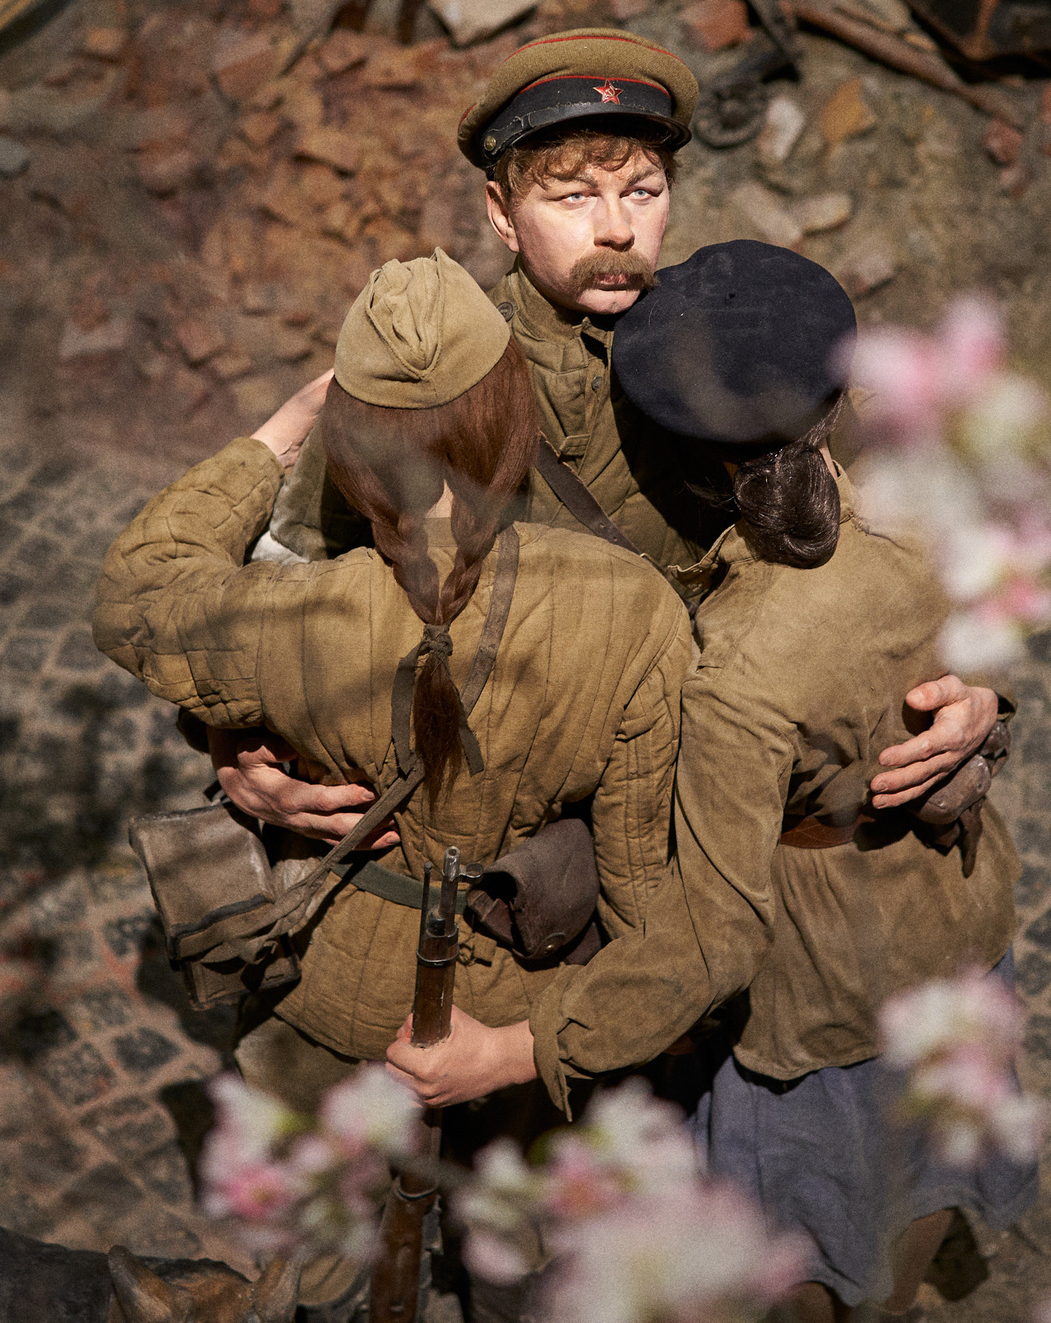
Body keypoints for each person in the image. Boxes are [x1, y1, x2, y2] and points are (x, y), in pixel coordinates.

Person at [383, 243, 1035, 1323]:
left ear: (693, 467)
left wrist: (514, 1048)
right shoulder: (919, 505)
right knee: (910, 1201)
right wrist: (983, 703)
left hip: (827, 1001)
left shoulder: (736, 667)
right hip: (960, 923)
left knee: (799, 1259)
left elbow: (718, 942)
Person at [220, 27, 1001, 854]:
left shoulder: (741, 337)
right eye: (573, 198)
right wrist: (230, 739)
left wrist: (980, 691)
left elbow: (906, 547)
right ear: (502, 214)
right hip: (518, 827)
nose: (619, 229)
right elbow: (277, 573)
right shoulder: (426, 372)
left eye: (642, 190)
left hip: (728, 795)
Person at [90, 252, 699, 1308]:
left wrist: (278, 430)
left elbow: (137, 592)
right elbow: (645, 897)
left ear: (353, 457)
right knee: (515, 1225)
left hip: (330, 985)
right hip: (519, 995)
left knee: (328, 1237)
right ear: (512, 428)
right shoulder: (633, 608)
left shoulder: (302, 613)